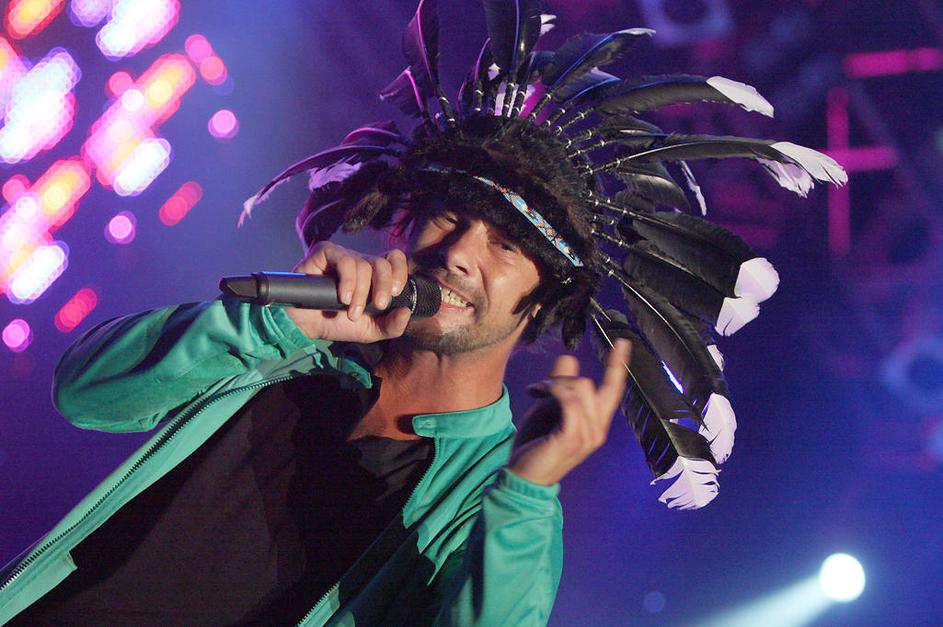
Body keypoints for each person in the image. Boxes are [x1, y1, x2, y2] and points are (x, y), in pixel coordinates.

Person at [0, 0, 847, 623]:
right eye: (450, 215)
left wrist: (527, 493)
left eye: (507, 244)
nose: (462, 252)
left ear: (540, 302)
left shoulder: (492, 497)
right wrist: (277, 323)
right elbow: (86, 391)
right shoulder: (287, 350)